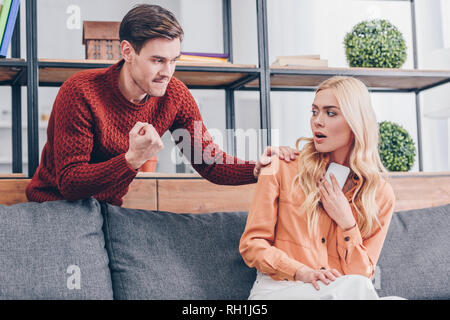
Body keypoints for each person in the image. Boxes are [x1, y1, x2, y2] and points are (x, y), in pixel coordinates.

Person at [25, 4, 297, 206]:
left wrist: (254, 169)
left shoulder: (174, 95)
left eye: (174, 60)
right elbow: (71, 183)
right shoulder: (81, 91)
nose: (168, 71)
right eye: (157, 60)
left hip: (106, 209)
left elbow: (208, 161)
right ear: (128, 52)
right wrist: (132, 159)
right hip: (55, 205)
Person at [239, 76, 401, 300]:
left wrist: (347, 223)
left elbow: (362, 275)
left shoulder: (380, 194)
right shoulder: (280, 167)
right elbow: (252, 245)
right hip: (279, 289)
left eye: (330, 113)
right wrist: (301, 272)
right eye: (314, 111)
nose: (318, 121)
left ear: (356, 122)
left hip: (341, 291)